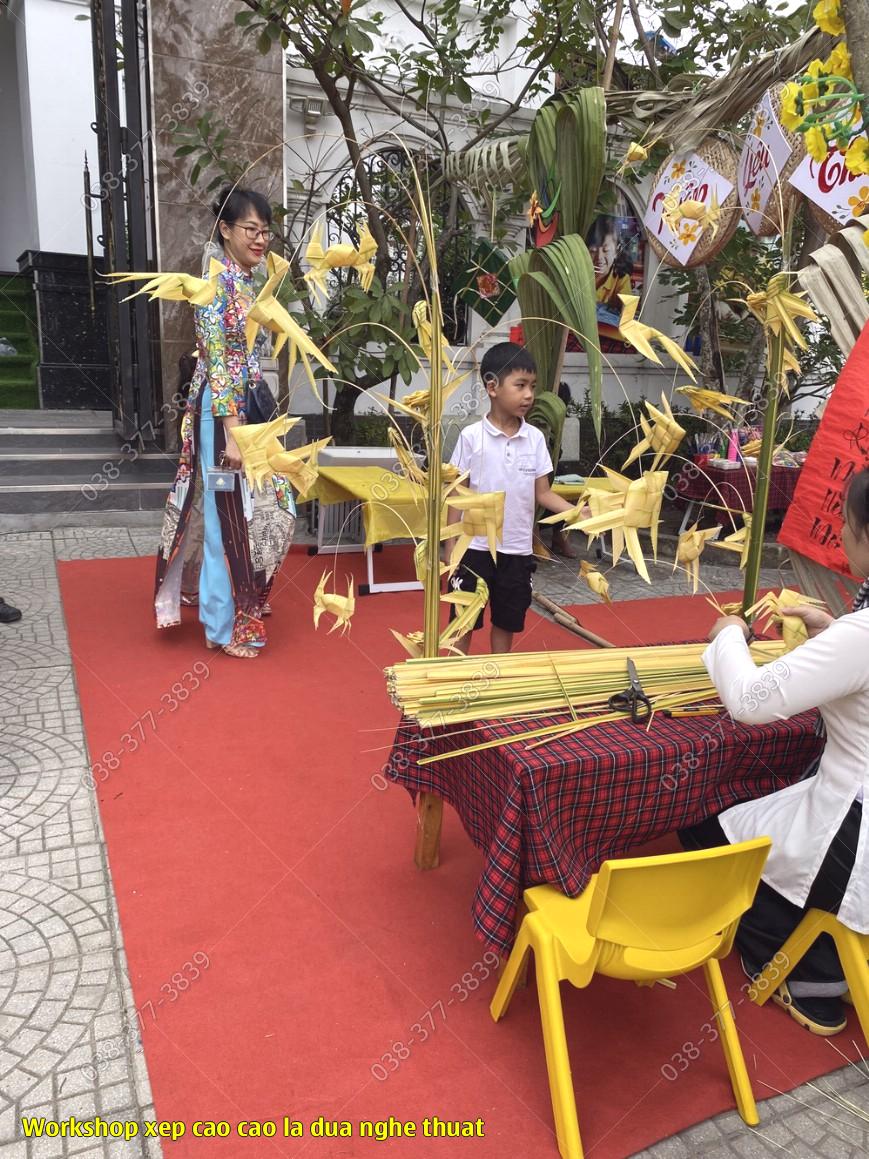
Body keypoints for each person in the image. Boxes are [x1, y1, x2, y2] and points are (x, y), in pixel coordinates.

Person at [680, 468, 869, 1036]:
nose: (841, 529)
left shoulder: (860, 637)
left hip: (851, 825)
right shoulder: (854, 634)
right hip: (845, 799)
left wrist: (728, 637)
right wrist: (832, 632)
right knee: (734, 826)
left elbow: (749, 700)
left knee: (707, 840)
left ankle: (809, 979)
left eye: (849, 522)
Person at [154, 186, 296, 659]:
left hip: (244, 406)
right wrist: (233, 429)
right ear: (225, 229)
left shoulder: (244, 280)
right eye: (250, 230)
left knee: (266, 506)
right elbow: (218, 359)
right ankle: (224, 626)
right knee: (227, 518)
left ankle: (239, 598)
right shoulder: (218, 282)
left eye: (265, 232)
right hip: (224, 412)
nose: (260, 240)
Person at [445, 343, 579, 654]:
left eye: (532, 386)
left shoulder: (534, 439)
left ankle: (496, 677)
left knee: (507, 620)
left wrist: (575, 513)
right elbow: (456, 494)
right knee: (464, 617)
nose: (529, 395)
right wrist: (450, 548)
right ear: (492, 387)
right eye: (520, 386)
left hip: (517, 550)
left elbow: (543, 492)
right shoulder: (471, 438)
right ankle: (454, 678)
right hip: (474, 548)